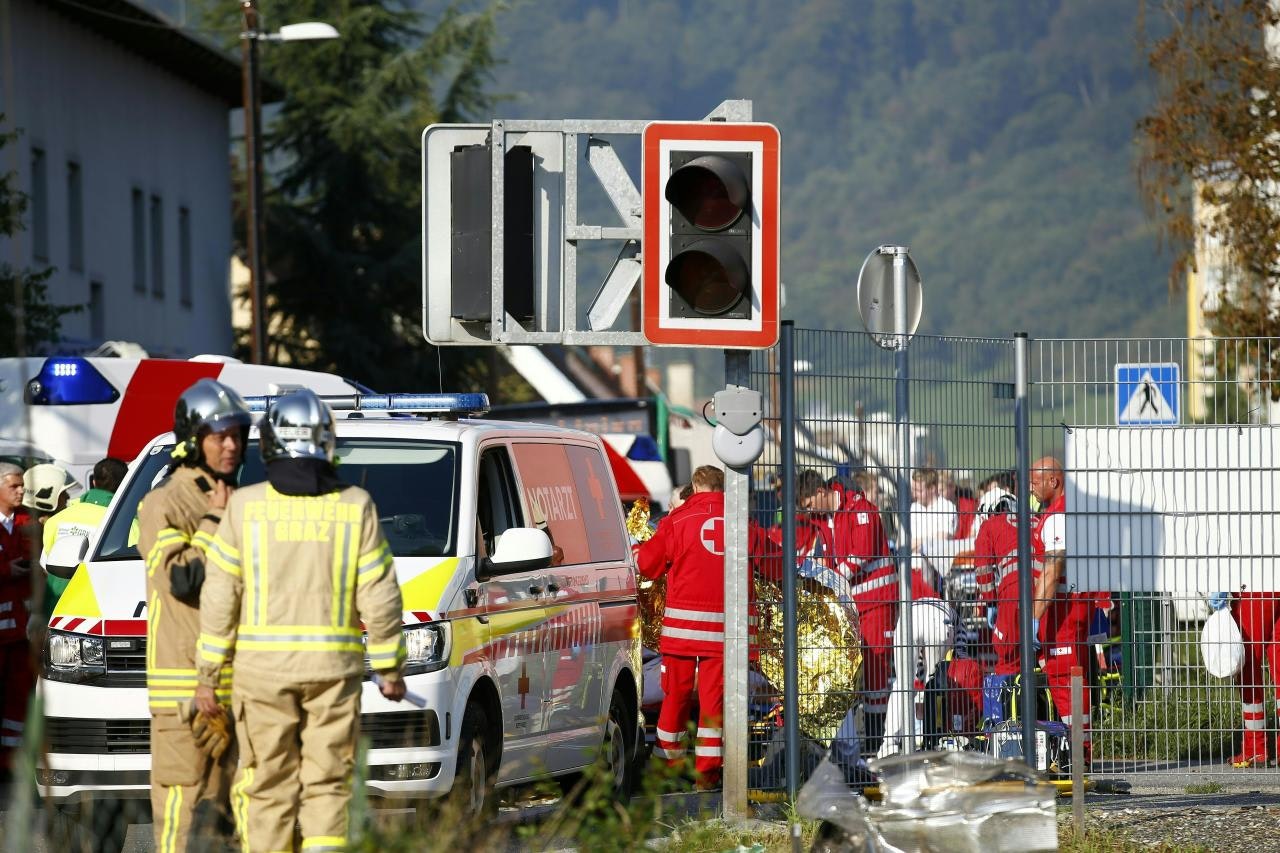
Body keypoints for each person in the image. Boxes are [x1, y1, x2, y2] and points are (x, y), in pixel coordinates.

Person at [194, 390, 407, 852]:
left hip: (261, 674)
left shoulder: (244, 507)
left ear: (268, 443)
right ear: (327, 444)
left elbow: (218, 597)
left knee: (267, 782)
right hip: (333, 672)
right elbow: (380, 593)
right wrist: (390, 669)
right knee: (327, 781)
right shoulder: (355, 506)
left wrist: (207, 676)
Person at [137, 379, 251, 851]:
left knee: (236, 815)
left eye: (237, 435)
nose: (231, 445)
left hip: (238, 686)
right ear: (192, 437)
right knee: (180, 816)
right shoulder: (165, 502)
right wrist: (212, 524)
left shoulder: (238, 497)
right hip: (183, 693)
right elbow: (181, 580)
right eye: (218, 435)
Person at [637, 465, 773, 790]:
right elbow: (772, 565)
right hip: (728, 635)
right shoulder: (743, 522)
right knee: (714, 705)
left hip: (684, 633)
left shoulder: (677, 521)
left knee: (675, 699)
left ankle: (666, 771)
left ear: (696, 486)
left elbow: (647, 565)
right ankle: (707, 777)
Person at [1030, 456, 1092, 763]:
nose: (1031, 487)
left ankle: (1080, 755)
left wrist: (1034, 618)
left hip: (1064, 608)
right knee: (1068, 677)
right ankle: (1077, 751)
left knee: (1066, 678)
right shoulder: (1065, 511)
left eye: (1036, 481)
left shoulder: (1057, 516)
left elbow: (1052, 572)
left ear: (1053, 481)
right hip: (1070, 604)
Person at [40, 457, 129, 613]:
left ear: (94, 482)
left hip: (56, 612)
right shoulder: (126, 522)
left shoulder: (56, 520)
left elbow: (45, 567)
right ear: (125, 484)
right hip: (99, 612)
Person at [0, 463, 36, 780]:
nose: (21, 491)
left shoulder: (28, 521)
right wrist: (7, 570)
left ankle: (12, 763)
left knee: (17, 700)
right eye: (14, 486)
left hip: (21, 632)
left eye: (22, 485)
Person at [908, 467, 957, 550]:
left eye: (918, 491)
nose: (914, 495)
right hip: (912, 562)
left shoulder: (947, 507)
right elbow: (901, 544)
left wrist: (913, 543)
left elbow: (942, 541)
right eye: (913, 490)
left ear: (932, 488)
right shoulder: (912, 508)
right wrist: (931, 538)